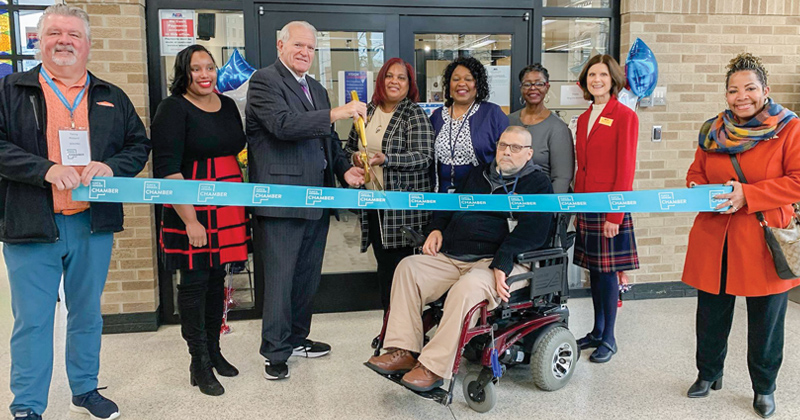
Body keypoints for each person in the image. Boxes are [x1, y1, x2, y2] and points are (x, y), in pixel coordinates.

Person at [0, 5, 150, 420]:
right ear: (39, 40)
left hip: (91, 223)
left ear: (88, 45)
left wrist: (112, 166)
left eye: (73, 34)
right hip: (32, 225)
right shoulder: (11, 90)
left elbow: (138, 145)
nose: (63, 40)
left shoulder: (110, 96)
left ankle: (85, 389)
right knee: (33, 322)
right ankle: (28, 406)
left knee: (86, 313)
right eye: (54, 33)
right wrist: (45, 169)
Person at [366, 126, 553, 392]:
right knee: (408, 268)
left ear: (529, 153)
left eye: (515, 147)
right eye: (503, 145)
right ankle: (404, 350)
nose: (507, 152)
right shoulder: (479, 174)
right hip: (455, 255)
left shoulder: (537, 184)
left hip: (497, 260)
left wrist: (503, 261)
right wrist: (437, 228)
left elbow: (534, 232)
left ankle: (433, 367)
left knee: (467, 288)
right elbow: (450, 206)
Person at [245, 21, 366, 381]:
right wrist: (336, 114)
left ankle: (297, 338)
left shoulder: (315, 88)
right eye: (298, 45)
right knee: (280, 279)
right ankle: (275, 351)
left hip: (318, 197)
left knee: (306, 277)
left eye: (311, 48)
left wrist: (344, 170)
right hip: (282, 200)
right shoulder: (265, 81)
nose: (304, 53)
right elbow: (283, 125)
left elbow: (327, 139)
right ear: (280, 44)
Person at [683, 53, 800, 419]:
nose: (741, 96)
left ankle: (764, 388)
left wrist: (748, 194)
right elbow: (696, 172)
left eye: (749, 88)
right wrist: (697, 188)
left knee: (765, 322)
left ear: (765, 90)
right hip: (715, 236)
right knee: (711, 314)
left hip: (762, 238)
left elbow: (797, 181)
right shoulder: (712, 130)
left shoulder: (789, 128)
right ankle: (708, 374)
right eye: (733, 90)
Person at [151, 45, 249, 396]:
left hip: (227, 205)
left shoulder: (227, 105)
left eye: (210, 67)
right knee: (193, 284)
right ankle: (199, 362)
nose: (205, 74)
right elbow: (167, 169)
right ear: (184, 73)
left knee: (217, 280)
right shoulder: (172, 109)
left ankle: (215, 351)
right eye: (196, 69)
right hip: (190, 207)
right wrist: (191, 221)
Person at [344, 58, 434, 329]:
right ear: (381, 80)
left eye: (402, 78)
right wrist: (355, 160)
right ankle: (390, 331)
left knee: (401, 274)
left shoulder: (413, 114)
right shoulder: (367, 111)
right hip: (373, 205)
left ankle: (405, 334)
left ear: (409, 85)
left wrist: (387, 159)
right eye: (390, 76)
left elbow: (424, 157)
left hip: (402, 210)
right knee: (385, 272)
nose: (395, 81)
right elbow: (349, 147)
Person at [573, 54, 639, 364]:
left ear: (613, 79)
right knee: (595, 272)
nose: (596, 80)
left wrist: (616, 214)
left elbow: (625, 169)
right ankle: (597, 330)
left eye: (602, 75)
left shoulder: (625, 116)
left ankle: (609, 337)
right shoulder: (584, 118)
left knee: (608, 273)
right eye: (591, 75)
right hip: (587, 204)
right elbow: (582, 166)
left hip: (610, 206)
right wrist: (576, 205)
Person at [430, 56, 509, 193]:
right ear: (449, 85)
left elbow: (510, 151)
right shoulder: (437, 116)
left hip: (481, 196)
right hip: (442, 196)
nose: (461, 83)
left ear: (478, 84)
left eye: (468, 79)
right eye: (456, 79)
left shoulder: (492, 113)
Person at [508, 63, 574, 193]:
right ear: (521, 88)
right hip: (508, 195)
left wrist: (549, 209)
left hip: (541, 198)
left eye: (539, 84)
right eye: (527, 84)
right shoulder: (508, 121)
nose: (533, 88)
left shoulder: (558, 128)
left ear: (547, 87)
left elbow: (562, 177)